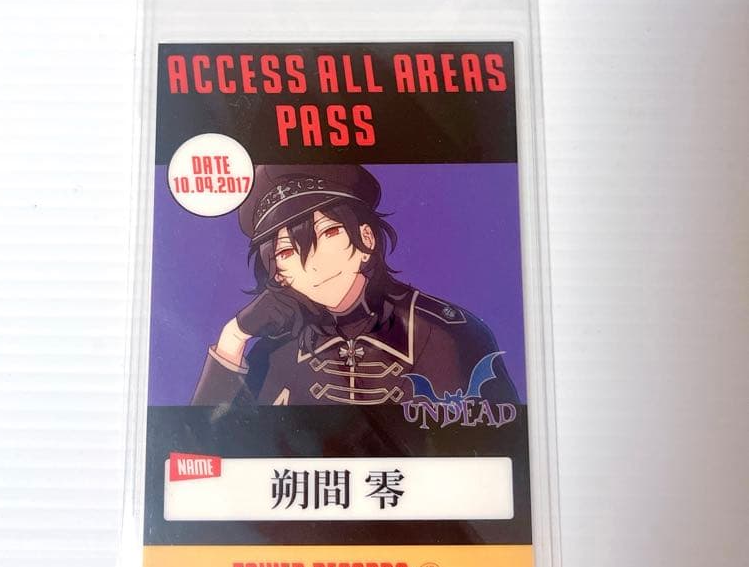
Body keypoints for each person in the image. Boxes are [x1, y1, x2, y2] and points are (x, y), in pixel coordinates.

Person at [191, 164, 519, 406]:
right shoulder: (276, 353)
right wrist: (233, 337)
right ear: (278, 275)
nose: (314, 263)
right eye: (287, 252)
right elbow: (198, 447)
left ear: (366, 239)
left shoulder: (449, 335)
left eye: (328, 233)